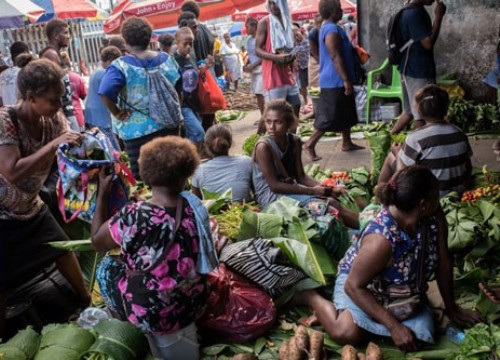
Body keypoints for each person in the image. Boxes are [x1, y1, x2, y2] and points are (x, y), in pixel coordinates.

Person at [294, 166, 482, 352]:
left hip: (403, 288)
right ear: (423, 204)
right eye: (435, 196)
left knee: (423, 335)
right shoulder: (381, 241)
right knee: (346, 333)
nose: (438, 201)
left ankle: (372, 323)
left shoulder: (433, 215)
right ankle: (312, 298)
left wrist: (452, 308)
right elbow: (353, 286)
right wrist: (393, 326)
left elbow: (444, 260)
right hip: (364, 286)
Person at [92, 136, 218, 360]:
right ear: (186, 174)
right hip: (193, 303)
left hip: (153, 314)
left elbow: (97, 242)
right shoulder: (193, 207)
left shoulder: (135, 214)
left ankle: (128, 330)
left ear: (146, 172)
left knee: (105, 269)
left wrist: (102, 193)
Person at [0, 57, 91, 337]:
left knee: (62, 249)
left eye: (60, 99)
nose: (57, 106)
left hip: (31, 205)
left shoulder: (52, 118)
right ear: (30, 97)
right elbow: (11, 172)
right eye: (52, 100)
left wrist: (89, 148)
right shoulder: (5, 121)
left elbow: (68, 151)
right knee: (2, 282)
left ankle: (86, 301)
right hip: (2, 213)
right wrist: (54, 145)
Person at [252, 99, 359, 228]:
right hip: (271, 197)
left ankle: (367, 226)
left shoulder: (294, 141)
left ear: (288, 123)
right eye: (268, 122)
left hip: (289, 189)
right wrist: (313, 191)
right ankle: (366, 228)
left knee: (334, 200)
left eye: (278, 122)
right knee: (327, 207)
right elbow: (275, 186)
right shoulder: (263, 147)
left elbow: (301, 176)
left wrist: (326, 188)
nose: (271, 127)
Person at [98, 18, 181, 179]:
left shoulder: (120, 66)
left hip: (137, 133)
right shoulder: (167, 59)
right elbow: (180, 86)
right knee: (174, 172)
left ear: (126, 42)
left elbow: (105, 92)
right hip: (169, 126)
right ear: (150, 37)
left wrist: (117, 113)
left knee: (145, 177)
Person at [380, 85, 473, 198]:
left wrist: (398, 154)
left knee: (391, 157)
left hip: (430, 197)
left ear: (420, 111)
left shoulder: (415, 138)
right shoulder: (459, 133)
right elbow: (468, 168)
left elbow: (403, 174)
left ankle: (380, 197)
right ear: (446, 108)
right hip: (458, 193)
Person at [302, 0, 364, 162]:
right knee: (328, 116)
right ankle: (309, 144)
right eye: (339, 9)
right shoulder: (330, 29)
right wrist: (345, 80)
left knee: (346, 111)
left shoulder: (333, 27)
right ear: (331, 12)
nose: (341, 11)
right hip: (335, 80)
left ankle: (346, 142)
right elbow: (335, 55)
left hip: (339, 78)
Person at [391, 0, 447, 134]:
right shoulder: (414, 14)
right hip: (418, 70)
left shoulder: (409, 10)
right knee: (420, 116)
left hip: (408, 68)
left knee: (409, 112)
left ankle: (388, 139)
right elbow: (427, 43)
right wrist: (438, 17)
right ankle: (419, 150)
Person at [255, 0, 301, 118]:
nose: (273, 6)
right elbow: (257, 49)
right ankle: (270, 135)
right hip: (273, 74)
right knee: (276, 114)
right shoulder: (264, 22)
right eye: (271, 3)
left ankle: (290, 136)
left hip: (288, 73)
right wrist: (275, 57)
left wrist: (292, 58)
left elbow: (289, 46)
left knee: (295, 106)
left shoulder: (287, 21)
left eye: (276, 3)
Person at [192, 124, 253, 202]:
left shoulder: (198, 171)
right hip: (246, 211)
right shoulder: (246, 161)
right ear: (230, 143)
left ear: (206, 147)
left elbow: (196, 203)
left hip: (214, 213)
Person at [177, 10, 216, 131]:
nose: (197, 30)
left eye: (197, 26)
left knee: (205, 124)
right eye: (194, 27)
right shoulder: (175, 56)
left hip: (195, 99)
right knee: (198, 133)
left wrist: (205, 66)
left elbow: (194, 74)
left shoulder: (190, 52)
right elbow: (185, 80)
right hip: (185, 103)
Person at [84, 46, 122, 150]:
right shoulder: (105, 72)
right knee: (113, 149)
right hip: (100, 117)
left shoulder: (97, 70)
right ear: (110, 60)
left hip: (92, 114)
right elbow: (107, 93)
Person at [173, 27, 205, 145]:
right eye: (185, 44)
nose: (188, 47)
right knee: (199, 133)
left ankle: (190, 160)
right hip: (183, 105)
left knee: (190, 135)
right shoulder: (173, 60)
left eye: (191, 43)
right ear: (177, 43)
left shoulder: (192, 57)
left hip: (195, 103)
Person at [244, 17, 265, 117]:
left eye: (247, 27)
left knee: (261, 94)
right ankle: (263, 116)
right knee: (257, 94)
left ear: (254, 27)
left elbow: (264, 56)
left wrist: (253, 65)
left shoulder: (260, 38)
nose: (246, 29)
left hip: (262, 69)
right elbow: (251, 54)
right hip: (254, 71)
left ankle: (265, 116)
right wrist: (246, 64)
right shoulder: (248, 40)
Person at [61, 51, 87, 129]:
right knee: (81, 139)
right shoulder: (77, 77)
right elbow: (83, 95)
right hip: (78, 116)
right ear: (69, 63)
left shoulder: (56, 78)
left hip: (64, 119)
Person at [0, 42, 29, 106]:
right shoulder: (25, 74)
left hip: (7, 114)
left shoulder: (2, 75)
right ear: (25, 54)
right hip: (22, 113)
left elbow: (1, 101)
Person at [292, 23, 310, 105]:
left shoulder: (307, 39)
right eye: (293, 32)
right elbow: (292, 54)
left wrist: (302, 39)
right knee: (302, 85)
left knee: (311, 83)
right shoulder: (292, 43)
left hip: (309, 65)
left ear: (299, 30)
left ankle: (312, 99)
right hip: (300, 67)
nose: (295, 33)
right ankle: (305, 100)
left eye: (296, 31)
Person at [308, 13, 322, 89]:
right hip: (315, 60)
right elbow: (315, 54)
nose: (320, 26)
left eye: (321, 23)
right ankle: (315, 100)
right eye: (318, 24)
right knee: (314, 82)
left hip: (325, 58)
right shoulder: (313, 34)